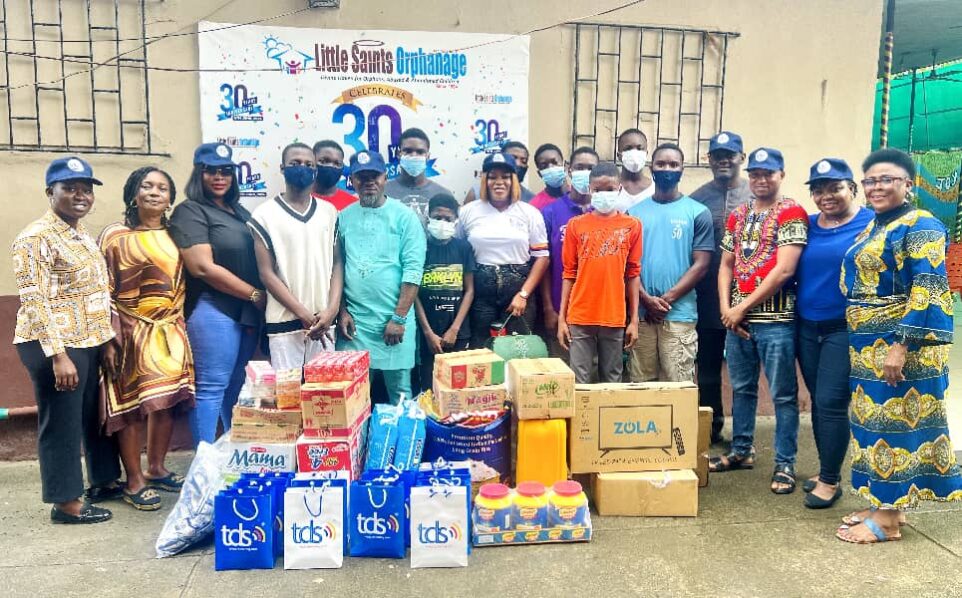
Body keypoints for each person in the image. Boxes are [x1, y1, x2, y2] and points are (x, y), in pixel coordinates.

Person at [835, 148, 962, 544]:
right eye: (870, 180)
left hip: (902, 346)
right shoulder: (875, 226)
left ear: (908, 184)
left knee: (895, 424)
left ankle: (887, 522)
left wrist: (900, 346)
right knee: (873, 423)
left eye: (886, 179)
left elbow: (928, 287)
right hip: (867, 347)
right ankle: (886, 502)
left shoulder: (922, 224)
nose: (876, 186)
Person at [13, 156, 121, 524]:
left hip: (88, 339)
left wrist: (105, 339)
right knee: (62, 421)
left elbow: (97, 290)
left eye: (86, 189)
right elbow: (35, 299)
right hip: (53, 343)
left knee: (92, 415)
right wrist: (58, 355)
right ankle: (66, 502)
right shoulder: (34, 237)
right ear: (50, 192)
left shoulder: (80, 234)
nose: (81, 195)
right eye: (70, 188)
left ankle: (104, 481)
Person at [709, 147, 808, 496]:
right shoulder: (738, 214)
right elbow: (726, 264)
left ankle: (785, 463)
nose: (761, 180)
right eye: (755, 174)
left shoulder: (792, 212)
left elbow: (784, 270)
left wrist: (740, 307)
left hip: (776, 320)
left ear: (781, 175)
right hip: (736, 322)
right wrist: (726, 307)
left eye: (768, 173)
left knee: (782, 395)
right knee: (742, 388)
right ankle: (741, 450)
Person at [99, 166, 196, 511]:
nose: (155, 192)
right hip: (129, 331)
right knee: (132, 408)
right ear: (133, 193)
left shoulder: (176, 235)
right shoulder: (114, 235)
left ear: (170, 199)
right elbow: (101, 288)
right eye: (147, 186)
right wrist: (108, 337)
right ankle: (135, 479)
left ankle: (156, 468)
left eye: (162, 188)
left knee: (166, 401)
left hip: (169, 329)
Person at [168, 143, 265, 445]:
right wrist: (254, 295)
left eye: (226, 171)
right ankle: (204, 464)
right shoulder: (190, 211)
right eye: (211, 171)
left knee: (235, 386)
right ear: (199, 174)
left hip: (245, 312)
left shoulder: (237, 211)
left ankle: (229, 455)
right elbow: (202, 268)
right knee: (212, 386)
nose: (219, 177)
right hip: (215, 309)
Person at [794, 158, 873, 510]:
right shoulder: (807, 226)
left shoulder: (870, 224)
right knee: (817, 400)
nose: (827, 195)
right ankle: (828, 469)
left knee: (830, 401)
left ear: (852, 189)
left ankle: (829, 481)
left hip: (845, 326)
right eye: (819, 190)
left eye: (835, 188)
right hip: (807, 325)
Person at [337, 150, 426, 404]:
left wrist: (398, 318)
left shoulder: (405, 217)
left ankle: (403, 444)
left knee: (400, 395)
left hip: (394, 323)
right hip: (355, 325)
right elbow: (338, 270)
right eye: (361, 177)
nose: (368, 182)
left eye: (374, 175)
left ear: (385, 177)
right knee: (352, 400)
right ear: (352, 181)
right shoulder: (343, 218)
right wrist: (342, 312)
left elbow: (412, 271)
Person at [250, 142, 342, 370]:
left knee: (325, 398)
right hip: (284, 324)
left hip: (324, 322)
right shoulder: (264, 214)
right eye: (295, 163)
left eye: (308, 164)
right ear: (282, 168)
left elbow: (337, 264)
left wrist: (332, 310)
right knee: (288, 399)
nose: (302, 167)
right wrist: (303, 314)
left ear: (315, 170)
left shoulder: (329, 212)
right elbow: (266, 273)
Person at [626, 143, 713, 383]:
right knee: (640, 387)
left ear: (682, 169)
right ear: (651, 168)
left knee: (679, 387)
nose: (667, 169)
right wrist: (646, 300)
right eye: (661, 164)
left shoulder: (697, 212)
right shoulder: (633, 215)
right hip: (641, 316)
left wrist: (665, 301)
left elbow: (701, 264)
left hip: (679, 316)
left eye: (673, 164)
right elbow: (626, 266)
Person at [690, 131, 751, 443]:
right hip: (709, 299)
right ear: (709, 160)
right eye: (718, 155)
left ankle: (744, 435)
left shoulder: (758, 196)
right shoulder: (697, 200)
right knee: (709, 369)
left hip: (754, 299)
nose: (724, 160)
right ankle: (711, 428)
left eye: (730, 154)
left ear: (742, 157)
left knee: (746, 372)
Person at [557, 162, 641, 383]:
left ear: (620, 188)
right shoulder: (576, 226)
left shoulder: (632, 226)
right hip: (580, 315)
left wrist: (634, 320)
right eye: (598, 189)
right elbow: (569, 274)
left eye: (610, 189)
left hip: (614, 315)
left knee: (612, 381)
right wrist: (562, 319)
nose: (604, 194)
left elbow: (633, 274)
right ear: (590, 190)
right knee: (579, 383)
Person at [458, 152, 549, 348]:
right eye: (492, 177)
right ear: (484, 180)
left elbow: (542, 257)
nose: (499, 182)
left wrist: (523, 294)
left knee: (519, 349)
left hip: (517, 291)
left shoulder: (529, 212)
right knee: (482, 350)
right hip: (480, 293)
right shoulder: (468, 211)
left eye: (505, 177)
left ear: (514, 180)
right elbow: (459, 252)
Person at [414, 193, 476, 391]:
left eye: (447, 219)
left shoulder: (463, 248)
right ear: (428, 218)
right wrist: (427, 332)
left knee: (457, 388)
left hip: (458, 332)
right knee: (428, 387)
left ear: (455, 221)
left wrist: (455, 329)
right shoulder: (418, 248)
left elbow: (469, 290)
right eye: (437, 217)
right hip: (426, 333)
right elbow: (412, 293)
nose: (442, 222)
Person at [540, 147, 599, 356]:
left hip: (598, 313)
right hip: (560, 311)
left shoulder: (606, 213)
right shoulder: (550, 213)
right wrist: (549, 309)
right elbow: (544, 264)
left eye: (590, 168)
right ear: (568, 169)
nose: (585, 173)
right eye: (579, 167)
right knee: (562, 376)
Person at [385, 127, 452, 224]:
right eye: (408, 151)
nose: (414, 156)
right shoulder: (384, 192)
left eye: (420, 152)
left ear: (428, 157)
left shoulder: (443, 194)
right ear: (399, 155)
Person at [464, 141, 536, 203]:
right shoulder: (476, 193)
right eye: (513, 158)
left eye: (523, 161)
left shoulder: (531, 199)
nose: (518, 163)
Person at [613, 128, 655, 212]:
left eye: (639, 148)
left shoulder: (655, 189)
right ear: (619, 155)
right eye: (628, 148)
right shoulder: (609, 189)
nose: (634, 153)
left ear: (646, 154)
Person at [313, 139, 357, 211]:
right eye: (324, 161)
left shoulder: (353, 206)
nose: (331, 166)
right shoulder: (296, 199)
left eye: (337, 163)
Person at [529, 143, 569, 211]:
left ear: (565, 166)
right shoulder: (534, 207)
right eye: (544, 166)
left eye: (554, 162)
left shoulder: (579, 198)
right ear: (540, 174)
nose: (550, 167)